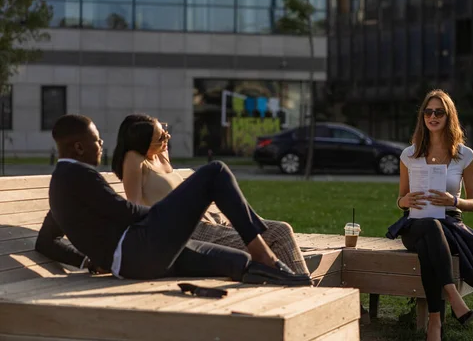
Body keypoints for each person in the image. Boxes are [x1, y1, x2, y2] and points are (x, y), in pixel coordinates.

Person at [36, 114, 311, 286]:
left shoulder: (62, 184)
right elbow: (125, 211)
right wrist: (176, 212)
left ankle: (289, 287)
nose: (102, 145)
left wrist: (88, 261)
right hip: (141, 250)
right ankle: (265, 255)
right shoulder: (78, 176)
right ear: (80, 147)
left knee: (239, 262)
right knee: (216, 172)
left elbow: (44, 241)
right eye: (97, 141)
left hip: (139, 259)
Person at [110, 114, 309, 275]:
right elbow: (134, 206)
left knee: (281, 229)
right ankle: (304, 290)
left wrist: (159, 136)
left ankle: (299, 285)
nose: (167, 138)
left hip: (213, 221)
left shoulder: (160, 155)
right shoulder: (134, 159)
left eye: (165, 131)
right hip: (192, 231)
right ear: (142, 145)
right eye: (161, 138)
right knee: (278, 235)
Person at [386, 90, 473, 341]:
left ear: (448, 116)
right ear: (423, 116)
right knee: (428, 227)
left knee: (428, 245)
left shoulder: (465, 155)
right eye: (428, 111)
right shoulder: (408, 155)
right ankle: (454, 298)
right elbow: (400, 199)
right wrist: (404, 201)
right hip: (415, 223)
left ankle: (434, 321)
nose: (433, 116)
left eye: (439, 112)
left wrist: (453, 200)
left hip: (450, 224)